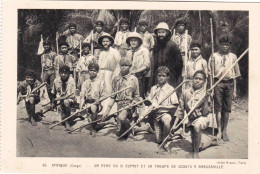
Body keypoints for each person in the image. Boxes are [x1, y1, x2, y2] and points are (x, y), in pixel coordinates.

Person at [173, 70, 217, 158]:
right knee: (198, 145)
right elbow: (180, 110)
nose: (197, 80)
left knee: (197, 127)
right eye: (196, 78)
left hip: (203, 119)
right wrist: (175, 125)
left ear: (204, 81)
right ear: (193, 79)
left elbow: (205, 113)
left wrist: (206, 98)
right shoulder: (186, 92)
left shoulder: (206, 93)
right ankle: (211, 142)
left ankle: (195, 154)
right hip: (191, 120)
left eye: (200, 79)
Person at [208, 35, 241, 141]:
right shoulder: (214, 56)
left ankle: (224, 131)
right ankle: (218, 130)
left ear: (229, 46)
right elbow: (210, 74)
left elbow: (235, 75)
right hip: (218, 83)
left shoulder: (233, 57)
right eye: (223, 45)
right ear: (219, 45)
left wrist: (235, 90)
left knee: (227, 109)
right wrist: (211, 88)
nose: (225, 47)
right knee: (218, 108)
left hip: (230, 84)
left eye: (227, 45)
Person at [102, 58, 140, 140]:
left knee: (121, 118)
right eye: (122, 65)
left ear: (130, 67)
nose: (123, 67)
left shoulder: (133, 79)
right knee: (119, 132)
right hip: (119, 104)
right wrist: (107, 110)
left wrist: (133, 103)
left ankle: (130, 131)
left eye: (126, 66)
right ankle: (131, 129)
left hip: (130, 105)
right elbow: (113, 96)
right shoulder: (116, 79)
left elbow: (137, 96)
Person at [144, 66, 179, 146]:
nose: (161, 78)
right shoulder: (153, 88)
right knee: (158, 140)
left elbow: (175, 106)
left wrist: (161, 107)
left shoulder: (170, 89)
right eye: (159, 76)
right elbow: (149, 102)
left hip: (165, 113)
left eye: (163, 76)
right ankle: (160, 131)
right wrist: (147, 106)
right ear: (156, 77)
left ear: (167, 77)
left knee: (166, 121)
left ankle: (166, 139)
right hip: (155, 115)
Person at [151, 22, 183, 89]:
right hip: (158, 75)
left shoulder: (173, 46)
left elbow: (179, 64)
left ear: (167, 33)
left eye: (163, 32)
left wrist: (172, 74)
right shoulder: (156, 46)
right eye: (159, 32)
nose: (161, 34)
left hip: (170, 76)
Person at [80, 63, 106, 136]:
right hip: (87, 103)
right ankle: (91, 121)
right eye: (91, 70)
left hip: (97, 103)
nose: (92, 72)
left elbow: (104, 94)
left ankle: (93, 128)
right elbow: (82, 95)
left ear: (97, 72)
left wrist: (99, 100)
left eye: (94, 71)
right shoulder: (85, 82)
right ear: (88, 71)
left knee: (93, 107)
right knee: (86, 111)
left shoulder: (101, 82)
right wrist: (80, 107)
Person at [51, 65, 76, 131]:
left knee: (66, 102)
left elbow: (72, 95)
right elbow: (53, 92)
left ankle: (67, 122)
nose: (63, 75)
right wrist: (53, 102)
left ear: (68, 74)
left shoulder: (71, 81)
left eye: (65, 73)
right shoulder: (56, 80)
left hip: (70, 99)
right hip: (60, 99)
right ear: (59, 73)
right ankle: (65, 117)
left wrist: (61, 98)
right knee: (62, 118)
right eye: (61, 73)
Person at [125, 32, 150, 98]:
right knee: (129, 95)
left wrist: (135, 71)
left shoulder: (144, 50)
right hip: (129, 77)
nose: (133, 42)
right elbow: (126, 64)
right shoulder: (129, 52)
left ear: (139, 42)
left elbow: (146, 64)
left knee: (139, 96)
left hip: (140, 76)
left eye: (135, 40)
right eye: (131, 40)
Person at [137, 19, 155, 93]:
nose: (142, 28)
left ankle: (145, 92)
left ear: (146, 27)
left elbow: (152, 46)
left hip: (147, 53)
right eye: (141, 26)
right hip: (138, 54)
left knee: (147, 73)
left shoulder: (149, 35)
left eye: (144, 26)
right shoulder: (137, 35)